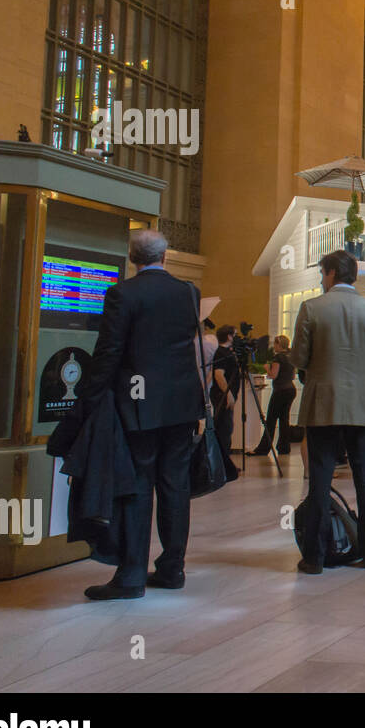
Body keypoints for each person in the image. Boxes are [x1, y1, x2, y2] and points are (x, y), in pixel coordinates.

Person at [72, 229, 205, 599]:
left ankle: (131, 573)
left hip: (138, 402)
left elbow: (109, 352)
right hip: (181, 403)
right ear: (165, 257)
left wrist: (88, 399)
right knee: (175, 485)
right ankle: (172, 568)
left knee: (138, 484)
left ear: (133, 258)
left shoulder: (122, 293)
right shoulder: (188, 292)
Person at [291, 250, 365, 572]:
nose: (322, 279)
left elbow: (299, 358)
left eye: (323, 273)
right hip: (363, 404)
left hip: (323, 403)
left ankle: (315, 557)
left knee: (319, 479)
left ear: (332, 272)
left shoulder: (311, 308)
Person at [250, 335, 296, 456]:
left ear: (279, 345)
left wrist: (267, 368)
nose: (274, 346)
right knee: (284, 419)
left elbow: (273, 375)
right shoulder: (290, 356)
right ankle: (284, 447)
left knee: (271, 419)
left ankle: (263, 448)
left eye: (275, 344)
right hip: (290, 389)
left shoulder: (278, 357)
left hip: (280, 390)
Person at [210, 325, 241, 479]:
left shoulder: (227, 353)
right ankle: (223, 465)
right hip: (222, 397)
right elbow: (218, 374)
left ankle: (225, 464)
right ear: (229, 336)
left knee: (226, 428)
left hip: (223, 396)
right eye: (234, 335)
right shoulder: (221, 353)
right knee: (224, 429)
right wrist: (228, 393)